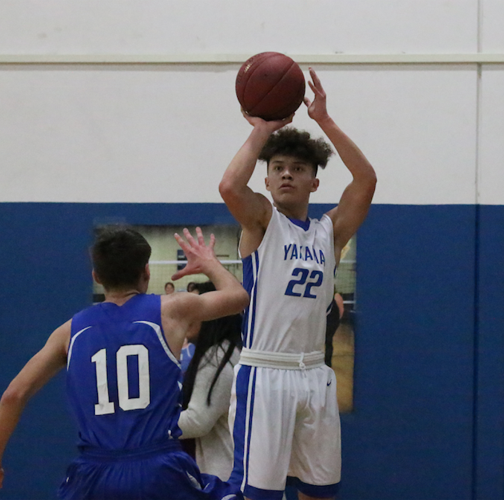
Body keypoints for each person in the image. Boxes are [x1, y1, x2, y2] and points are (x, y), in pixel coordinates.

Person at [0, 225, 248, 500]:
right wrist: (209, 263)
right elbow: (238, 298)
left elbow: (13, 395)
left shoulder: (69, 332)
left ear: (97, 276)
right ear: (146, 273)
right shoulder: (172, 310)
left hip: (93, 474)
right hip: (159, 468)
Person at [219, 68, 376, 500]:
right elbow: (230, 185)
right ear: (266, 180)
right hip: (266, 370)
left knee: (320, 492)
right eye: (278, 168)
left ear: (314, 181)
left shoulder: (329, 232)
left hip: (315, 376)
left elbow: (366, 182)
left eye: (298, 168)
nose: (287, 174)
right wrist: (262, 131)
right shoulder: (262, 222)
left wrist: (325, 120)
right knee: (258, 495)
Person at [178, 281, 243, 481]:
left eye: (194, 307)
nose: (186, 315)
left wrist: (146, 422)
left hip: (226, 480)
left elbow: (197, 421)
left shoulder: (218, 359)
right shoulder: (223, 352)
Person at [323, 292, 344, 368]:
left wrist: (337, 321)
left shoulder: (336, 295)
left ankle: (327, 362)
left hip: (331, 321)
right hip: (326, 321)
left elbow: (341, 310)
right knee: (327, 341)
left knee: (328, 341)